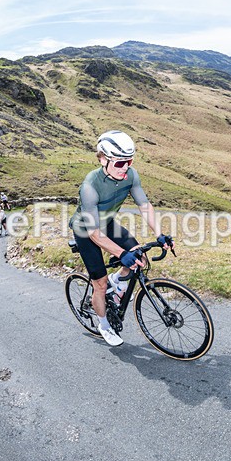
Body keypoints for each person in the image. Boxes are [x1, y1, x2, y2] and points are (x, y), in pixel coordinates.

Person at [70, 130, 172, 346]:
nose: (125, 167)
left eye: (129, 161)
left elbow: (144, 206)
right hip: (86, 231)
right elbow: (93, 233)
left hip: (107, 225)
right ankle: (104, 325)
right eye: (119, 163)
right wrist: (121, 253)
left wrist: (159, 234)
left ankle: (117, 283)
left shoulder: (131, 175)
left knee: (140, 260)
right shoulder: (90, 186)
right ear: (103, 159)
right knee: (100, 283)